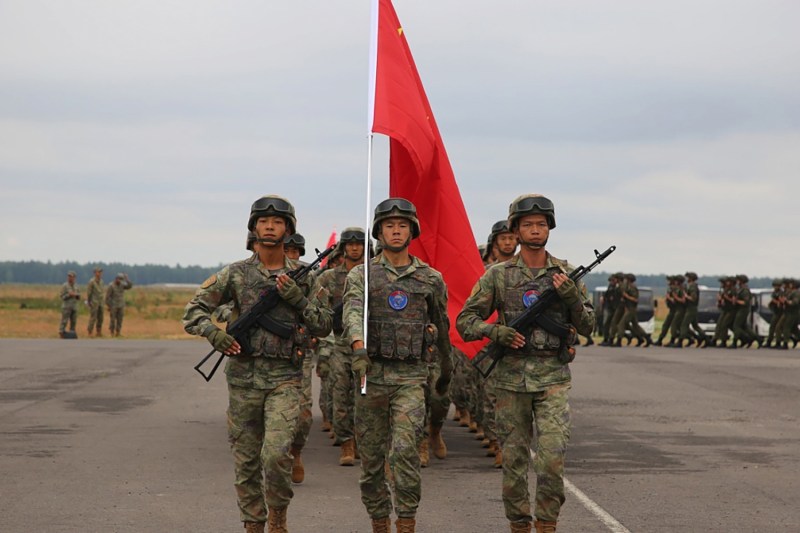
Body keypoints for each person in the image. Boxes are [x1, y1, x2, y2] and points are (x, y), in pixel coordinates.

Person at [182, 195, 332, 533]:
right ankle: (253, 523)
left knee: (277, 454)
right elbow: (193, 311)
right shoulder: (235, 274)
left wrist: (299, 299)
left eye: (277, 222)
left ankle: (278, 515)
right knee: (247, 461)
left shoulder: (305, 277)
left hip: (286, 379)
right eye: (263, 221)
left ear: (288, 229)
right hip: (244, 379)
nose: (269, 226)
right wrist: (215, 334)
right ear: (253, 228)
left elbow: (324, 325)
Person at [456, 194, 594, 533]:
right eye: (528, 224)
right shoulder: (498, 276)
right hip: (509, 380)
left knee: (551, 458)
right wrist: (496, 332)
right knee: (515, 462)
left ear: (550, 228)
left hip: (552, 379)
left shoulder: (566, 274)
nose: (535, 230)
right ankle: (519, 523)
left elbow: (589, 326)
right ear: (516, 230)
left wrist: (572, 298)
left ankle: (547, 523)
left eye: (541, 224)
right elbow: (464, 321)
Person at [342, 198, 452, 533]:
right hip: (371, 376)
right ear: (378, 231)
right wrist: (358, 349)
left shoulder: (429, 278)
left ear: (412, 230)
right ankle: (379, 522)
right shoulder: (362, 274)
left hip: (410, 377)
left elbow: (441, 326)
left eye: (402, 225)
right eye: (389, 225)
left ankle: (406, 521)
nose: (396, 230)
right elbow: (352, 313)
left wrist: (446, 372)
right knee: (373, 462)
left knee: (404, 452)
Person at [315, 227, 368, 467]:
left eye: (359, 243)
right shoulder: (328, 278)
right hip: (339, 343)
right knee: (340, 394)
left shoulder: (372, 277)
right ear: (343, 247)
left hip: (367, 345)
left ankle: (361, 440)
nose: (355, 247)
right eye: (351, 243)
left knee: (364, 397)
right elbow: (317, 311)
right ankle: (346, 442)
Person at [59, 271, 80, 338]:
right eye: (69, 276)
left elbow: (78, 296)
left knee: (73, 321)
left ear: (74, 278)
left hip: (74, 306)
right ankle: (61, 332)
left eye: (71, 277)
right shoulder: (65, 285)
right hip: (66, 306)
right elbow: (62, 296)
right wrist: (69, 295)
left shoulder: (76, 286)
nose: (70, 278)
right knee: (64, 320)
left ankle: (72, 333)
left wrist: (77, 295)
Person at [86, 267, 105, 337]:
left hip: (101, 302)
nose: (100, 273)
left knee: (101, 318)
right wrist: (89, 301)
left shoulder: (102, 282)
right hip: (94, 302)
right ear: (95, 273)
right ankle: (90, 332)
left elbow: (102, 292)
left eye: (101, 272)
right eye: (98, 272)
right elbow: (89, 293)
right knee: (93, 317)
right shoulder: (91, 282)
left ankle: (99, 332)